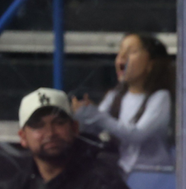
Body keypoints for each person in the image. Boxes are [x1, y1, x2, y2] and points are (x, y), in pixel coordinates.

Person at [0, 88, 141, 189]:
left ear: (75, 128)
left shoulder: (105, 186)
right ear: (23, 137)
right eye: (38, 125)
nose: (50, 133)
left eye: (59, 122)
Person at [72, 33, 174, 174]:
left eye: (132, 52)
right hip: (123, 172)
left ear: (151, 64)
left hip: (153, 176)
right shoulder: (114, 96)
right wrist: (82, 116)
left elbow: (136, 135)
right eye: (120, 51)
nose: (122, 56)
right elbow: (97, 129)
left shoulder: (161, 98)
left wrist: (95, 115)